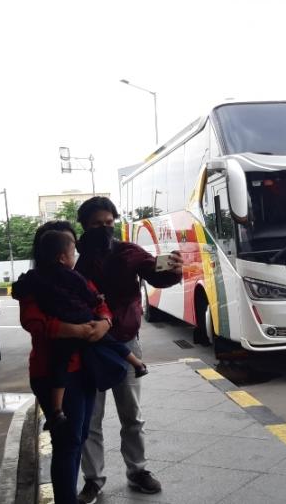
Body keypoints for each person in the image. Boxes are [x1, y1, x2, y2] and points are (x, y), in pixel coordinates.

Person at [75, 197, 184, 504]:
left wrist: (174, 269)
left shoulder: (128, 251)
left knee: (131, 415)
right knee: (90, 418)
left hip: (125, 341)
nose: (104, 228)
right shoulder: (74, 256)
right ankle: (93, 480)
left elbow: (156, 273)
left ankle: (137, 471)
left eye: (109, 223)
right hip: (88, 345)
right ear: (84, 225)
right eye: (97, 224)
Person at [12, 221, 111, 504]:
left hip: (86, 369)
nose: (73, 251)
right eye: (67, 246)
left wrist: (104, 323)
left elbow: (101, 304)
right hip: (52, 372)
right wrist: (78, 330)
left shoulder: (77, 279)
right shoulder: (34, 282)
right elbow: (33, 321)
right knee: (67, 442)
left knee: (78, 436)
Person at [31, 229, 149, 428]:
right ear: (62, 257)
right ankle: (138, 364)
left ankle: (56, 410)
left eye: (108, 223)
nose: (74, 257)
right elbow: (88, 294)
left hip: (73, 335)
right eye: (71, 254)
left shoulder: (37, 279)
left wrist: (104, 320)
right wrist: (96, 303)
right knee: (113, 345)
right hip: (86, 324)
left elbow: (22, 291)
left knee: (61, 367)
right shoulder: (75, 275)